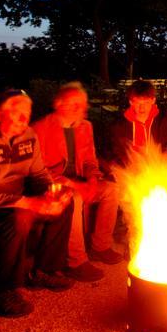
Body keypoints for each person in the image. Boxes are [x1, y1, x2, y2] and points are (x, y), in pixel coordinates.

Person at [0, 89, 73, 318]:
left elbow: (38, 173)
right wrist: (27, 203)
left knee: (65, 202)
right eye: (17, 113)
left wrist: (51, 192)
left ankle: (42, 270)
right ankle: (6, 291)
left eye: (27, 112)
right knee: (17, 219)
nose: (24, 119)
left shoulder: (28, 135)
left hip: (19, 196)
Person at [32, 83, 122, 286]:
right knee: (75, 198)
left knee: (111, 189)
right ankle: (76, 262)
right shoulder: (40, 128)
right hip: (53, 184)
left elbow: (90, 160)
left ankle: (100, 246)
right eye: (74, 104)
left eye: (82, 104)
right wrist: (73, 184)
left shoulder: (85, 126)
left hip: (79, 180)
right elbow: (39, 170)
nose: (80, 109)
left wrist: (92, 180)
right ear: (58, 105)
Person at [104, 80, 167, 168]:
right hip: (130, 174)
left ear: (153, 100)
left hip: (158, 169)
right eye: (137, 102)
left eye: (146, 102)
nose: (142, 108)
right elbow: (116, 154)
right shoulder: (119, 126)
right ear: (131, 102)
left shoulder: (163, 122)